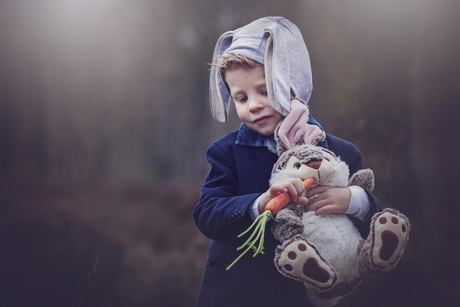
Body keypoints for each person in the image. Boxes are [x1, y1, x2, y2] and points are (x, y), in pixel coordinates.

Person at [192, 17, 382, 307]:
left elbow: (373, 220)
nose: (253, 104)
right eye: (241, 98)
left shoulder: (340, 152)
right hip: (239, 294)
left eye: (265, 91)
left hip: (304, 297)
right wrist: (258, 204)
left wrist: (353, 200)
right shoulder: (227, 151)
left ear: (293, 84)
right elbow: (207, 213)